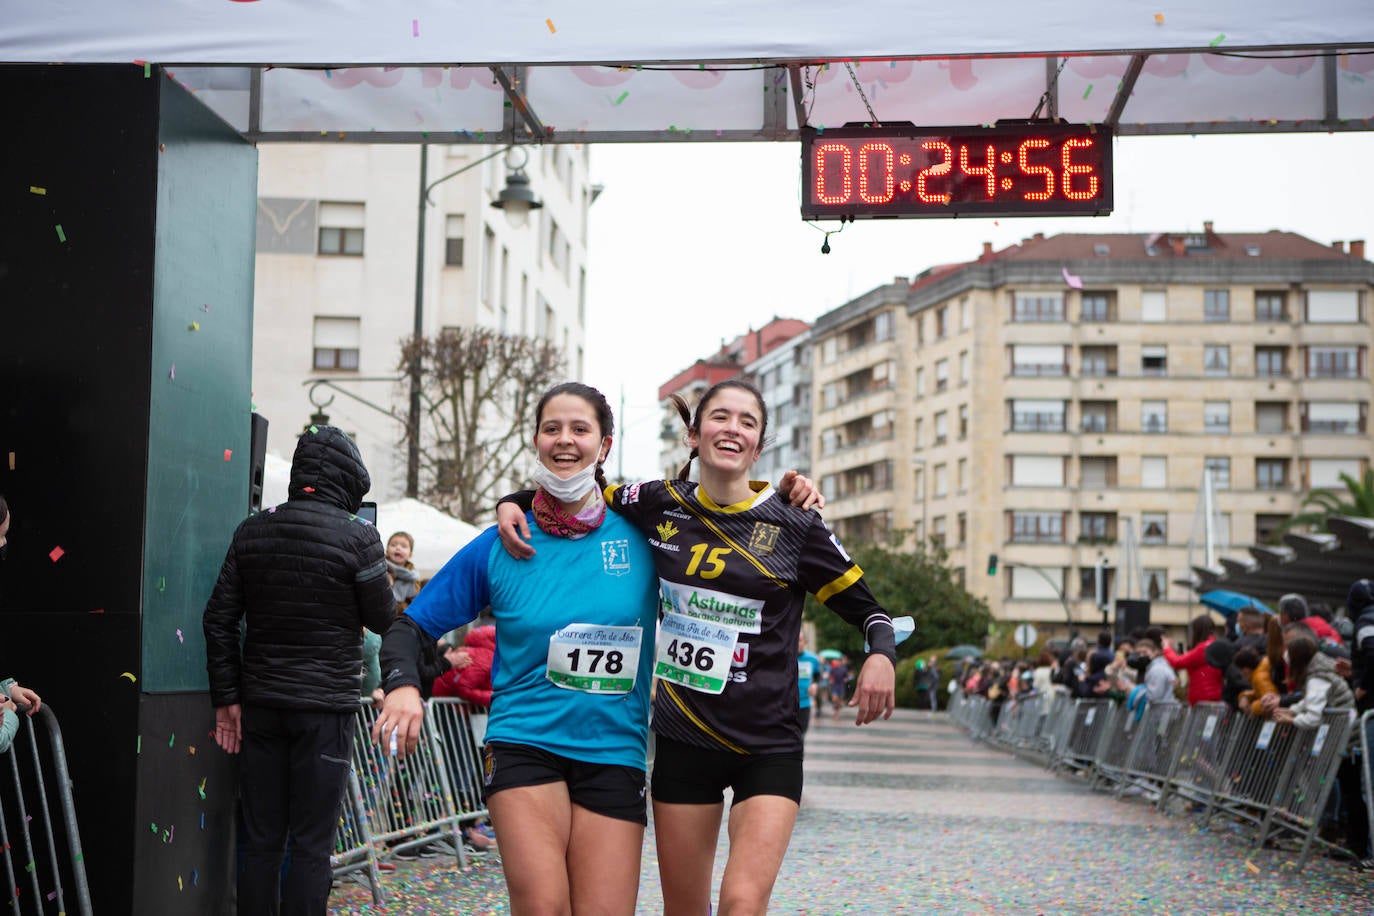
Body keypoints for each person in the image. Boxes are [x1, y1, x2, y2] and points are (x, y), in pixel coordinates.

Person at [498, 377, 897, 916]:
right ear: (694, 434)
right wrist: (512, 501)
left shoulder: (796, 523)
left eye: (747, 422)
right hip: (685, 741)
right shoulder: (657, 502)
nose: (732, 429)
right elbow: (575, 491)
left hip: (767, 746)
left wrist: (881, 655)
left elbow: (872, 613)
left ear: (758, 445)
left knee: (741, 903)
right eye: (720, 417)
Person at [374, 383, 660, 915]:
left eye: (580, 429)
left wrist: (790, 496)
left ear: (605, 445)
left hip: (613, 748)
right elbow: (408, 629)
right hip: (524, 742)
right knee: (543, 906)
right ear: (536, 441)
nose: (565, 439)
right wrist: (404, 687)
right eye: (552, 428)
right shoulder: (503, 541)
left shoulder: (645, 536)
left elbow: (721, 516)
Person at [203, 425, 395, 916]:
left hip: (262, 706)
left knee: (260, 838)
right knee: (312, 843)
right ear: (349, 480)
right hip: (325, 711)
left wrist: (227, 698)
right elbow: (382, 618)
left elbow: (218, 619)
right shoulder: (359, 537)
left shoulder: (252, 529)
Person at [1271, 633, 1369, 870]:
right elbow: (1308, 703)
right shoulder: (1319, 670)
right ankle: (1355, 845)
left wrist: (1291, 719)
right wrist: (1293, 710)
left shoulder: (1317, 676)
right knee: (1352, 794)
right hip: (1347, 739)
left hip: (1348, 741)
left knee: (1353, 796)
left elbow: (1313, 715)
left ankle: (1357, 847)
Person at [1162, 614, 1223, 705]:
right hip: (1215, 695)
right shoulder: (1215, 645)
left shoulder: (1203, 648)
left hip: (1202, 697)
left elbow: (1177, 662)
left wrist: (1166, 648)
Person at [1278, 592, 1343, 647]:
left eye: (1280, 613)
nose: (1279, 617)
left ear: (1286, 615)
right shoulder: (1318, 626)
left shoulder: (1297, 636)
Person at [384, 531, 423, 609]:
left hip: (402, 608)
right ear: (387, 551)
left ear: (410, 554)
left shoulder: (411, 574)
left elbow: (415, 594)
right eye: (393, 545)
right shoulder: (382, 567)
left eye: (404, 546)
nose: (398, 548)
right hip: (385, 604)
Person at [796, 633, 824, 733]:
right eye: (795, 639)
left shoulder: (812, 658)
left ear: (805, 642)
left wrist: (815, 684)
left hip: (804, 703)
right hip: (786, 704)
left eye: (800, 640)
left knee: (801, 735)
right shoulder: (786, 657)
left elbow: (818, 676)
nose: (797, 643)